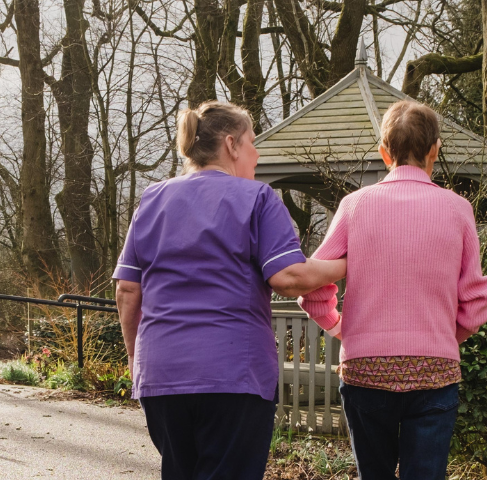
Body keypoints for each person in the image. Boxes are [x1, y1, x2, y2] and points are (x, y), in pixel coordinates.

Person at [114, 100, 347, 480]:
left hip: (162, 372)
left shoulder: (152, 199)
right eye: (252, 142)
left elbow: (127, 290)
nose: (257, 154)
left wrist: (136, 358)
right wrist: (347, 263)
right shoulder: (257, 199)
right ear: (231, 144)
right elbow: (288, 277)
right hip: (234, 374)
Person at [298, 100, 487, 480]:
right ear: (435, 149)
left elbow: (314, 284)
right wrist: (440, 339)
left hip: (366, 370)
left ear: (383, 152)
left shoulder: (355, 206)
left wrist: (343, 329)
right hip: (435, 371)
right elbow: (475, 304)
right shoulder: (458, 209)